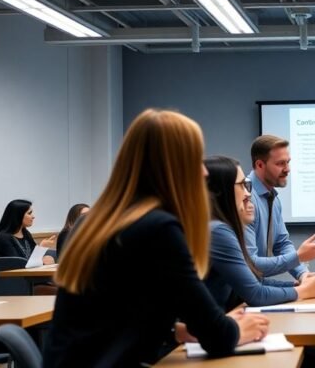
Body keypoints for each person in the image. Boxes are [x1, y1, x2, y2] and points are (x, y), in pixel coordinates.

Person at [45, 109, 269, 367]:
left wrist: (177, 331)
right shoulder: (158, 229)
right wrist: (240, 330)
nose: (204, 173)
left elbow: (115, 315)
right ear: (173, 168)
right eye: (195, 160)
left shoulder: (93, 222)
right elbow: (216, 335)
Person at [203, 155, 315, 311]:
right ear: (221, 190)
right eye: (242, 185)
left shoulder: (220, 227)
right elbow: (255, 294)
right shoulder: (218, 231)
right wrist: (302, 291)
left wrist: (295, 284)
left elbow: (253, 282)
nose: (248, 194)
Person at [245, 134, 315, 280]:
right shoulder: (245, 199)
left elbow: (281, 243)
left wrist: (302, 274)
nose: (287, 169)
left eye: (288, 162)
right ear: (259, 165)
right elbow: (250, 264)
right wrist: (297, 256)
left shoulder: (273, 198)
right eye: (280, 164)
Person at [0, 199, 55, 265]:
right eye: (29, 213)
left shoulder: (26, 233)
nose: (33, 216)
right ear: (18, 215)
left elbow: (33, 258)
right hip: (16, 275)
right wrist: (41, 248)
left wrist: (44, 258)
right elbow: (18, 264)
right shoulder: (3, 238)